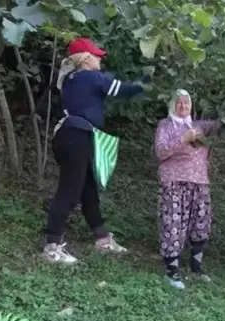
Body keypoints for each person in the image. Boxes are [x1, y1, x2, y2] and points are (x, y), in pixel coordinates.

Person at [42, 37, 150, 264]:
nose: (100, 58)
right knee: (69, 191)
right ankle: (51, 246)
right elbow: (124, 90)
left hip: (70, 137)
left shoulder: (70, 80)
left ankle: (102, 239)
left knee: (87, 189)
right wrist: (146, 81)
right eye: (96, 55)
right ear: (85, 58)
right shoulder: (91, 78)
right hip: (77, 137)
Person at [155, 89, 223, 289]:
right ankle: (172, 271)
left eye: (187, 102)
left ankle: (196, 268)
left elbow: (223, 125)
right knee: (173, 223)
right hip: (174, 181)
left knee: (200, 224)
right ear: (173, 105)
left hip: (199, 182)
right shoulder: (165, 125)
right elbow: (160, 151)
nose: (183, 106)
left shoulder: (200, 126)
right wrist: (183, 139)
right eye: (179, 102)